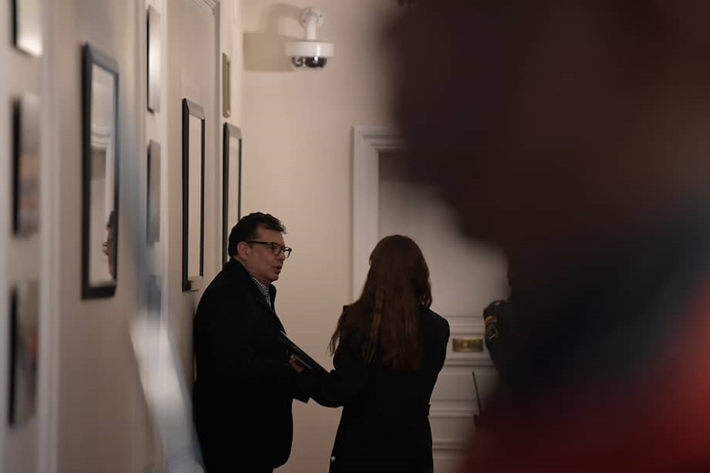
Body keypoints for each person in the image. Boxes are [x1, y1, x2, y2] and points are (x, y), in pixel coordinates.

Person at [390, 1, 710, 471]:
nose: (395, 36)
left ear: (654, 29)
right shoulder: (577, 361)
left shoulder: (676, 408)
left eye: (457, 11)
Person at [291, 235, 450, 473]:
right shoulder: (438, 327)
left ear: (375, 273)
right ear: (420, 274)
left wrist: (303, 375)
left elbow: (339, 392)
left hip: (362, 448)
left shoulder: (358, 321)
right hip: (413, 449)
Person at [192, 212, 306, 473]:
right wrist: (293, 373)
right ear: (244, 250)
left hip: (249, 444)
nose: (281, 256)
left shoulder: (252, 290)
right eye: (273, 247)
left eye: (283, 249)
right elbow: (235, 370)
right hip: (235, 446)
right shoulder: (229, 296)